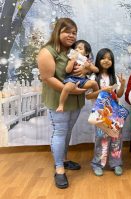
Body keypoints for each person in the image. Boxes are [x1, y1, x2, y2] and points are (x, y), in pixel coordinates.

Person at [37, 18, 89, 189]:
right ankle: (59, 169)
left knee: (67, 132)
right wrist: (72, 90)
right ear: (58, 31)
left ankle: (64, 160)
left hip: (76, 100)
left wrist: (85, 69)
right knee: (60, 131)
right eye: (67, 31)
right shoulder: (47, 51)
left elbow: (85, 66)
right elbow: (47, 78)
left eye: (74, 32)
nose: (71, 35)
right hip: (58, 100)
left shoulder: (74, 51)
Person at [86, 48, 126, 176]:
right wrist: (103, 91)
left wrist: (123, 84)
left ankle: (116, 163)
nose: (106, 61)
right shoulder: (93, 77)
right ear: (98, 60)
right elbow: (88, 96)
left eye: (109, 58)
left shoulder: (114, 78)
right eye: (103, 58)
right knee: (101, 139)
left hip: (115, 115)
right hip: (100, 115)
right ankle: (97, 164)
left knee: (116, 139)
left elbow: (119, 94)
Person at [56, 40, 99, 112]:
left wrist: (89, 67)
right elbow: (67, 70)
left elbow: (96, 70)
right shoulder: (71, 59)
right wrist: (72, 61)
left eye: (80, 48)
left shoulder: (87, 61)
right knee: (67, 87)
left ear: (86, 53)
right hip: (72, 79)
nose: (77, 49)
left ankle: (97, 99)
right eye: (75, 48)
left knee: (94, 83)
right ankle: (61, 105)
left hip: (83, 80)